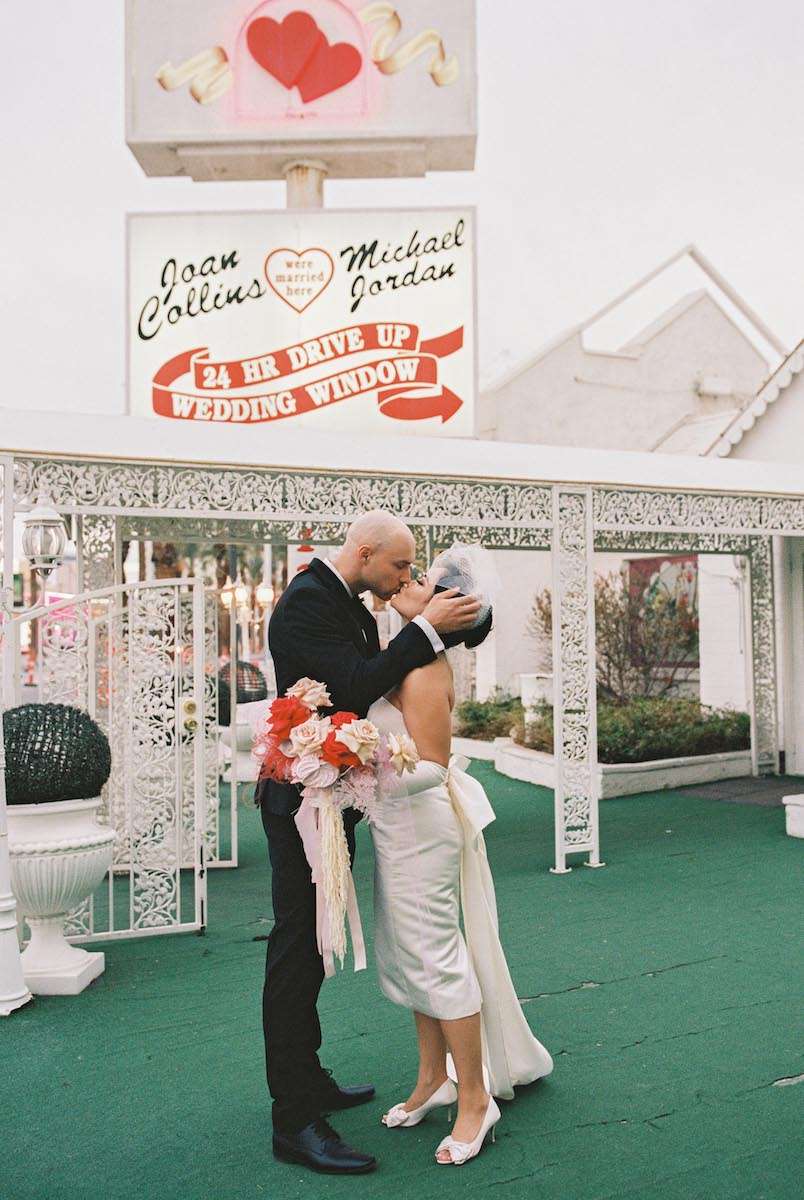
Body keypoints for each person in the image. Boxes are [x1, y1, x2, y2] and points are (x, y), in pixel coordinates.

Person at [254, 511, 482, 1175]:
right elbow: (356, 685)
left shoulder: (347, 602)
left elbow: (363, 685)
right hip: (300, 806)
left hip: (340, 803)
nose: (406, 576)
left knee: (316, 947)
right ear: (363, 551)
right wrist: (425, 630)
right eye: (400, 565)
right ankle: (294, 1117)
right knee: (297, 951)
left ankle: (310, 1077)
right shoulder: (307, 602)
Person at [366, 544, 554, 1166]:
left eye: (423, 579)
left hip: (422, 829)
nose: (410, 580)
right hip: (396, 827)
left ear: (447, 606)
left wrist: (354, 775)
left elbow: (434, 766)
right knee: (411, 955)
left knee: (438, 958)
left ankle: (475, 1097)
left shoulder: (424, 669)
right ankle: (432, 1079)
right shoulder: (406, 654)